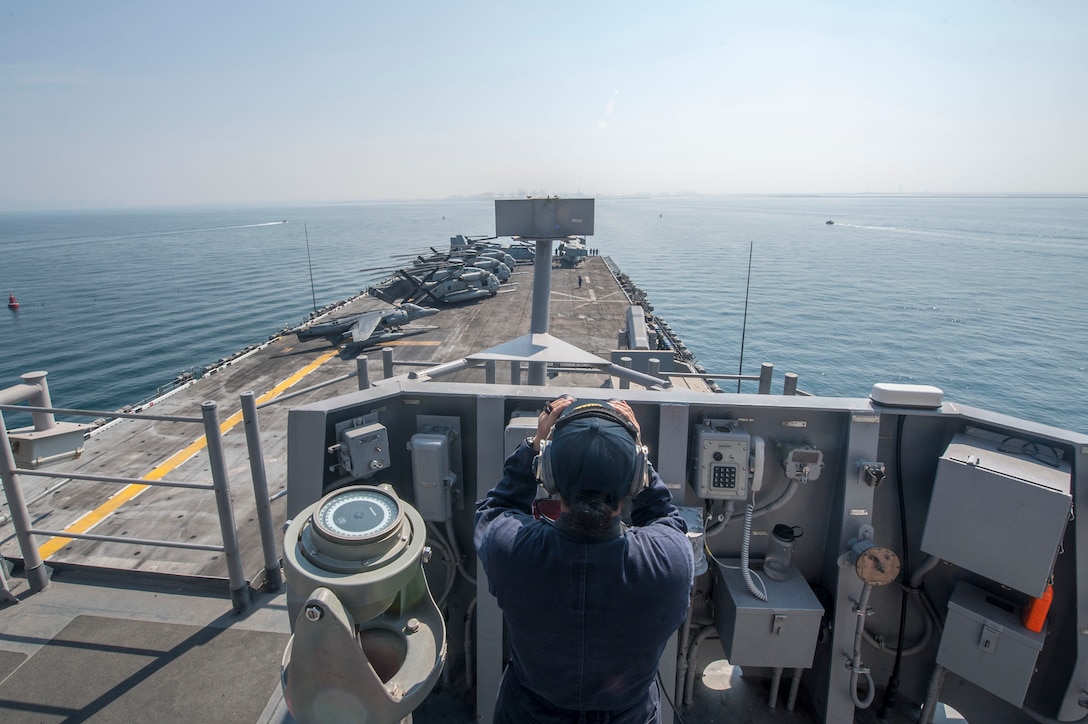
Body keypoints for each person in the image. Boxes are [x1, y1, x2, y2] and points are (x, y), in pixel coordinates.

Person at [474, 397, 694, 723]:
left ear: (547, 474)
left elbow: (493, 512)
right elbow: (668, 521)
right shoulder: (671, 564)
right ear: (635, 479)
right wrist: (639, 455)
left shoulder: (510, 553)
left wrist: (534, 447)